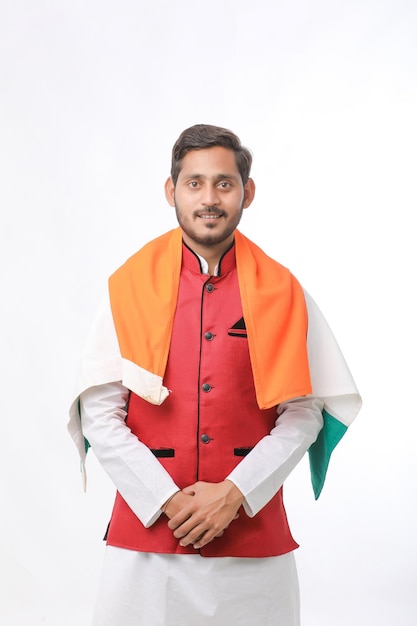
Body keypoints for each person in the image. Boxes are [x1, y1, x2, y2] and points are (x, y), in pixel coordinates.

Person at [68, 124, 361, 626]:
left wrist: (235, 493)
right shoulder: (127, 288)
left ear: (247, 192)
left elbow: (303, 413)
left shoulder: (284, 292)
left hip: (252, 548)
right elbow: (99, 412)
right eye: (195, 183)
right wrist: (164, 499)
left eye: (224, 184)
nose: (209, 198)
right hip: (146, 550)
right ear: (171, 191)